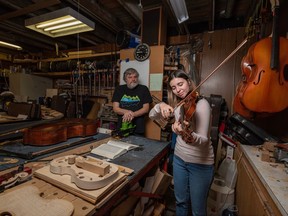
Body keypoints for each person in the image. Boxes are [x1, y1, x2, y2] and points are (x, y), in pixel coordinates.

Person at [149, 69, 214, 216]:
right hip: (179, 161)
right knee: (181, 202)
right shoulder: (178, 106)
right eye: (174, 87)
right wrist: (161, 106)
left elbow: (203, 141)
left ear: (189, 82)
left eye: (180, 84)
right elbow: (152, 115)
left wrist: (185, 133)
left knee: (197, 210)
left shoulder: (202, 104)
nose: (178, 90)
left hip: (200, 164)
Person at [112, 68, 152, 136]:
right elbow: (115, 108)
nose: (133, 79)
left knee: (138, 146)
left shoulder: (144, 89)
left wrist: (132, 114)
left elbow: (146, 109)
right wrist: (127, 112)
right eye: (130, 77)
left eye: (135, 77)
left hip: (138, 128)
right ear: (125, 79)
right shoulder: (119, 89)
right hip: (122, 127)